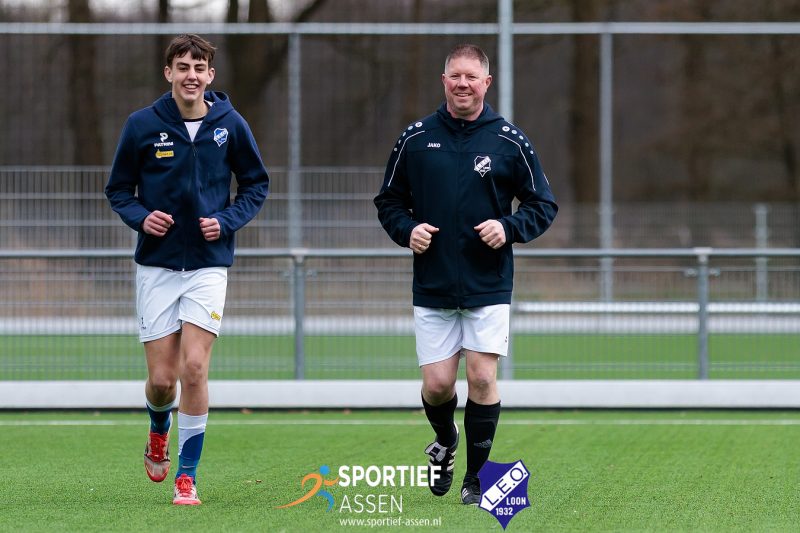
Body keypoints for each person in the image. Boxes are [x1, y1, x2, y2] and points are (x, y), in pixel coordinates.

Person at [374, 44, 557, 505]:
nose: (462, 84)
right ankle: (446, 443)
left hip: (488, 283)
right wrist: (408, 230)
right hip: (433, 284)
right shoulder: (415, 139)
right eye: (455, 76)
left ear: (486, 84)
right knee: (437, 386)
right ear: (444, 81)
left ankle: (476, 479)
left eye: (471, 77)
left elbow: (543, 204)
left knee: (480, 378)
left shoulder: (509, 141)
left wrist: (509, 227)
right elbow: (389, 202)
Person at [105, 34, 269, 505]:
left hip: (207, 267)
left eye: (199, 67)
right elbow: (118, 190)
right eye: (182, 66)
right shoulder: (141, 125)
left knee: (194, 369)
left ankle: (187, 474)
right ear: (169, 74)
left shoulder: (230, 125)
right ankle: (158, 427)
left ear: (210, 75)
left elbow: (256, 185)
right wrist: (141, 217)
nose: (191, 75)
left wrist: (227, 220)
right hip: (156, 266)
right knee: (162, 381)